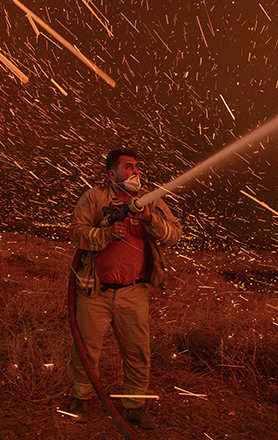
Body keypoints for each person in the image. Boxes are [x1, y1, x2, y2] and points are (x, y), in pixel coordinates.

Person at [68, 148, 182, 430]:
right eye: (128, 166)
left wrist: (149, 219)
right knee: (86, 349)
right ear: (112, 174)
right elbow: (76, 232)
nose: (135, 171)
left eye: (137, 166)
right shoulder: (94, 198)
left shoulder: (150, 201)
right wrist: (105, 234)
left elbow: (174, 235)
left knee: (137, 351)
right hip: (95, 291)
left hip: (134, 292)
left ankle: (135, 405)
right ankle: (80, 398)